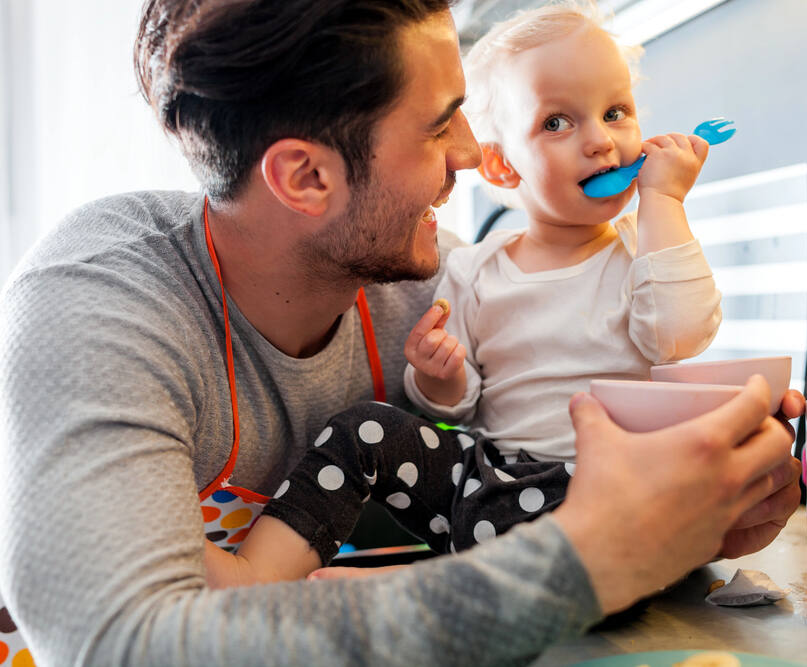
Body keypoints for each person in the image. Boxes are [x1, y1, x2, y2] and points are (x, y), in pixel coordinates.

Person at [0, 1, 803, 665]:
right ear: (306, 177)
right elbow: (116, 644)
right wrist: (584, 560)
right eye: (439, 124)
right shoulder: (104, 296)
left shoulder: (434, 284)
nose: (469, 154)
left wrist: (699, 505)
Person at [204, 1, 728, 585]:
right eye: (557, 122)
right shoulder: (474, 268)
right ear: (502, 167)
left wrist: (664, 203)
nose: (601, 142)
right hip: (490, 486)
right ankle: (260, 574)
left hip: (611, 492)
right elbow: (455, 407)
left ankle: (401, 586)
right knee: (364, 430)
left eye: (615, 111)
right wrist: (439, 378)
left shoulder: (647, 247)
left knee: (646, 527)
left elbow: (678, 335)